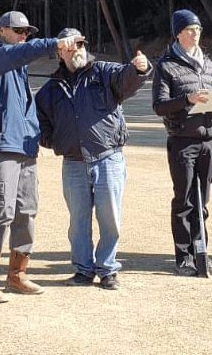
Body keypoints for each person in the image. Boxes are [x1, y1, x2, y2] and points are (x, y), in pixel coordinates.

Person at [0, 11, 82, 303]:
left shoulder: (18, 64)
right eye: (18, 30)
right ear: (2, 31)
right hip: (2, 147)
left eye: (27, 32)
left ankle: (17, 274)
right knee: (2, 212)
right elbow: (19, 54)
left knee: (26, 211)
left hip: (25, 149)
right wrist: (53, 44)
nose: (24, 35)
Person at [35, 28, 152, 290]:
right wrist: (53, 141)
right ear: (60, 51)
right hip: (73, 163)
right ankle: (83, 270)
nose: (76, 49)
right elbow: (40, 122)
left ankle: (108, 269)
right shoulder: (51, 89)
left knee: (110, 218)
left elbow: (128, 79)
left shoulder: (105, 72)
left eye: (79, 44)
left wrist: (140, 69)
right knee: (78, 222)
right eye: (69, 45)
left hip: (108, 158)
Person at [151, 9, 212, 276]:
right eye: (189, 29)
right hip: (182, 142)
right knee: (184, 200)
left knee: (203, 202)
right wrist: (187, 100)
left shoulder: (209, 65)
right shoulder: (166, 65)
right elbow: (159, 106)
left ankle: (202, 254)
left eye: (198, 29)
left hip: (210, 140)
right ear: (178, 33)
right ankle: (184, 257)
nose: (195, 34)